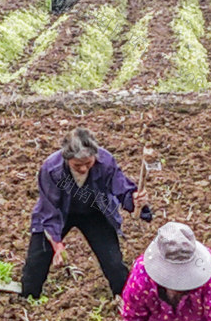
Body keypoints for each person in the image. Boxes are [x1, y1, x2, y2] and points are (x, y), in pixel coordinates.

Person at [20, 127, 149, 299]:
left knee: (113, 262)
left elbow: (122, 188)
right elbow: (49, 209)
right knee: (37, 259)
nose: (83, 169)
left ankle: (127, 300)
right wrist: (57, 244)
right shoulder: (52, 169)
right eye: (77, 165)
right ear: (67, 159)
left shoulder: (105, 162)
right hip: (60, 212)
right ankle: (29, 297)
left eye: (88, 163)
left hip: (95, 211)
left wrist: (134, 199)